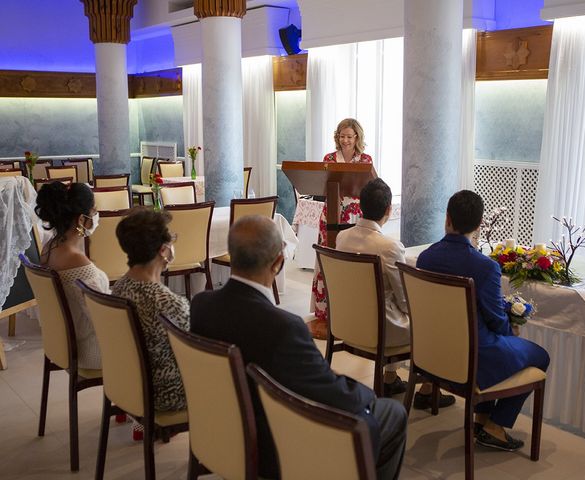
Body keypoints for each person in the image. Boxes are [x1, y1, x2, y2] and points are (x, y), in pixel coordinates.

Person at [191, 216, 407, 480]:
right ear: (278, 263)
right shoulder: (283, 327)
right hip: (276, 447)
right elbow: (330, 392)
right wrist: (368, 395)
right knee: (392, 412)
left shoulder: (201, 305)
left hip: (223, 431)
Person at [416, 190, 550, 451]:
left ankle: (482, 419)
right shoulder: (485, 267)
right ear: (479, 226)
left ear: (447, 219)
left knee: (502, 346)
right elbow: (495, 318)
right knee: (539, 355)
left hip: (432, 353)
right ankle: (494, 426)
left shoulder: (425, 257)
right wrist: (511, 331)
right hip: (471, 358)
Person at [336, 178, 456, 407]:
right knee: (435, 321)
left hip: (347, 324)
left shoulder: (342, 237)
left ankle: (390, 378)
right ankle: (428, 389)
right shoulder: (389, 247)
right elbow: (404, 299)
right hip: (380, 329)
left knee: (391, 307)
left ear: (361, 205)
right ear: (389, 210)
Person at [111, 208, 189, 433]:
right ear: (163, 250)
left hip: (129, 386)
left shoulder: (119, 287)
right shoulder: (168, 303)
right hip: (165, 395)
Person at [310, 118, 373, 339]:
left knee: (350, 259)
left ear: (357, 137)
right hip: (331, 214)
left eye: (349, 136)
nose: (345, 140)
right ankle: (325, 312)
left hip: (355, 216)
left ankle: (351, 310)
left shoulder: (365, 159)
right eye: (342, 136)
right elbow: (322, 185)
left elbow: (369, 187)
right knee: (328, 258)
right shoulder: (329, 159)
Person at [35, 181, 109, 370]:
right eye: (94, 212)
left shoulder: (49, 248)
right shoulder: (77, 261)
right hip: (92, 350)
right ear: (81, 219)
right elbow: (104, 318)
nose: (96, 217)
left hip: (64, 345)